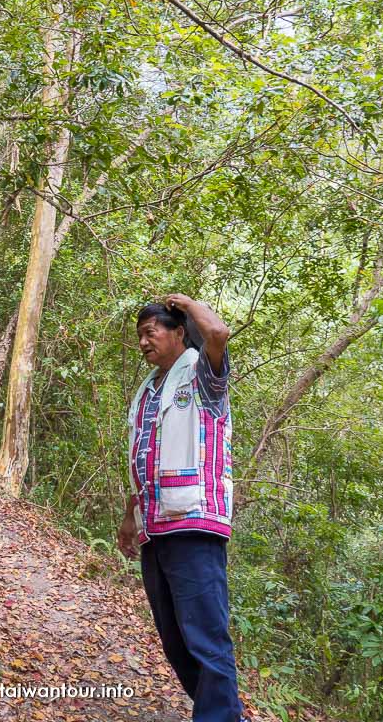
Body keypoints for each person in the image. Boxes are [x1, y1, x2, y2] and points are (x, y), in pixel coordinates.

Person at [118, 294, 243, 722]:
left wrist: (189, 304)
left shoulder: (201, 375)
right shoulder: (149, 389)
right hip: (154, 526)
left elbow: (220, 333)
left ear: (178, 332)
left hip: (194, 521)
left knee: (206, 638)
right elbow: (144, 453)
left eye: (150, 332)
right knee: (174, 640)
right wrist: (129, 515)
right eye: (139, 335)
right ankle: (222, 712)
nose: (143, 343)